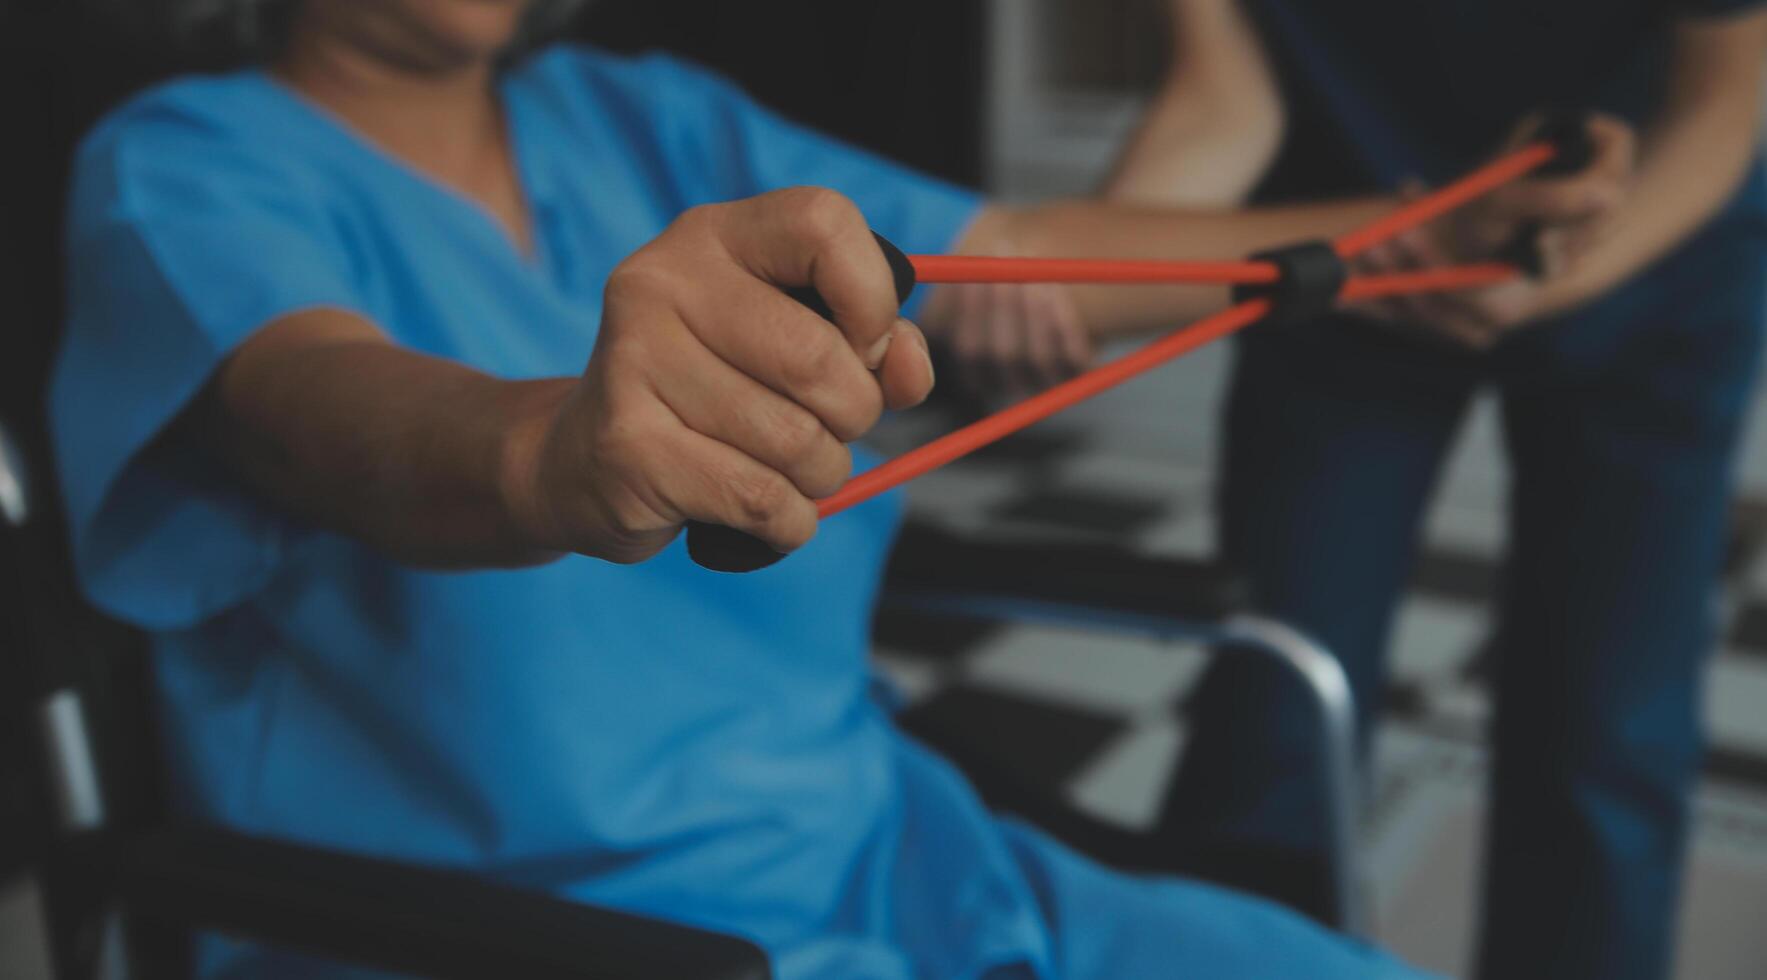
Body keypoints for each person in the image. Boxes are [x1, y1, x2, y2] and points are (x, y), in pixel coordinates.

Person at [50, 0, 1625, 976]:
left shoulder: (640, 112)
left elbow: (997, 253)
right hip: (513, 939)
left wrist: (1413, 234)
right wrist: (556, 449)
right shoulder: (182, 162)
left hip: (892, 856)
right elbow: (323, 414)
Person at [1109, 2, 1767, 978]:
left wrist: (1530, 283)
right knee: (1275, 706)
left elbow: (1722, 100)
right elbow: (1222, 99)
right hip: (1348, 247)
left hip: (1657, 249)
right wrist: (1066, 268)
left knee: (1607, 730)